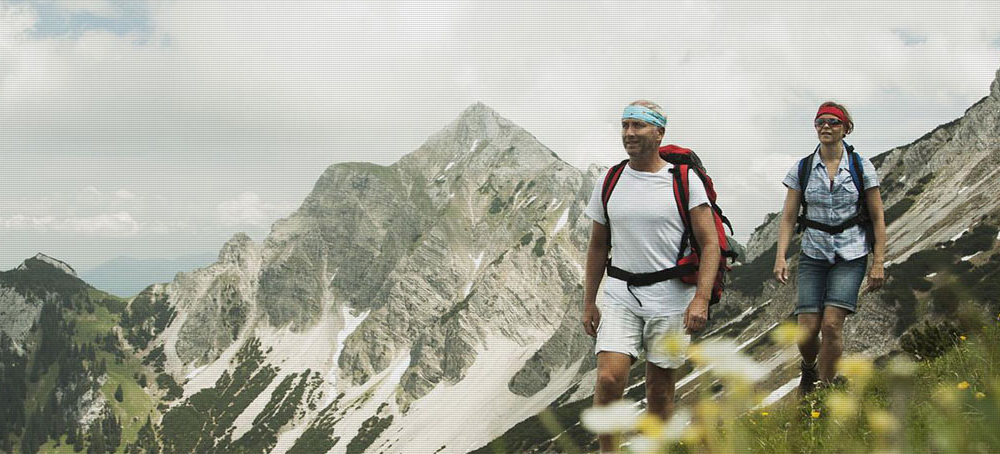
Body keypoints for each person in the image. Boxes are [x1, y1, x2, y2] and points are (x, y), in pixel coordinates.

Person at [582, 100, 721, 453]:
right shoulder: (609, 180)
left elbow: (710, 244)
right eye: (625, 125)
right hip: (620, 294)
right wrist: (589, 302)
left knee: (659, 392)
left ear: (659, 133)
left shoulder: (683, 181)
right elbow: (598, 245)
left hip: (671, 298)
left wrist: (701, 299)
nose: (629, 133)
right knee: (608, 379)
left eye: (638, 126)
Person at [773, 101, 887, 395]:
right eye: (820, 122)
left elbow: (877, 217)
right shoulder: (802, 168)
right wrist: (780, 256)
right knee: (807, 330)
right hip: (814, 253)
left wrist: (878, 262)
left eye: (833, 122)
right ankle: (809, 367)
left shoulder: (862, 167)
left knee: (832, 326)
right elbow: (788, 217)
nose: (826, 126)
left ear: (846, 129)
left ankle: (823, 392)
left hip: (852, 254)